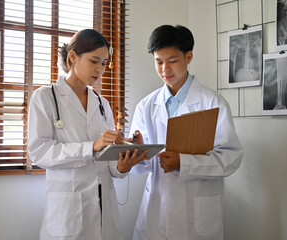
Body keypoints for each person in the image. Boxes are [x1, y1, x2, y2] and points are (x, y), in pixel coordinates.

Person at [27, 29, 148, 240]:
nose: (100, 69)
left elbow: (111, 167)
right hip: (67, 216)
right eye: (94, 61)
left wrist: (125, 162)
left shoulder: (102, 103)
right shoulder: (45, 97)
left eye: (104, 63)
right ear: (73, 57)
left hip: (104, 214)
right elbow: (40, 153)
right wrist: (92, 146)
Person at [129, 25, 244, 240]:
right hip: (157, 209)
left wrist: (184, 163)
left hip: (197, 210)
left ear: (188, 56)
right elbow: (142, 166)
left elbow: (231, 157)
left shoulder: (213, 103)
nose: (165, 69)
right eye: (159, 61)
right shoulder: (146, 105)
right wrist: (139, 155)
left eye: (172, 61)